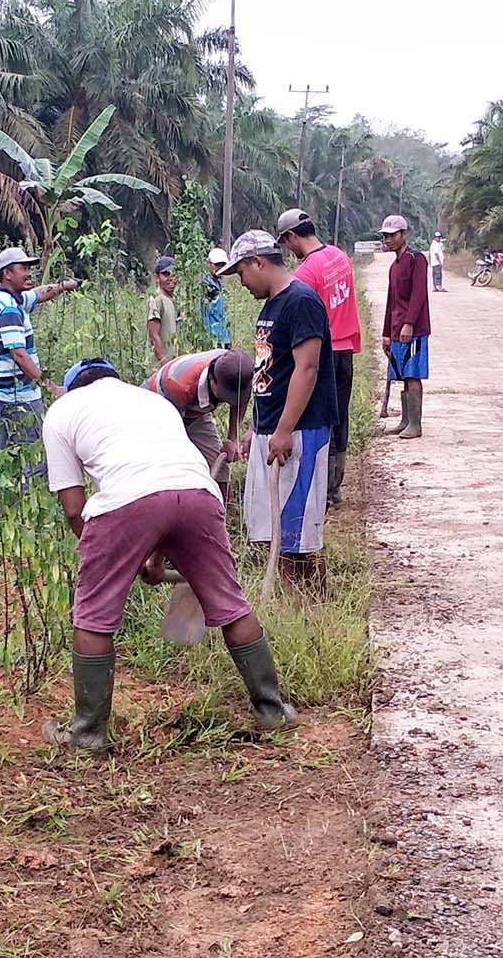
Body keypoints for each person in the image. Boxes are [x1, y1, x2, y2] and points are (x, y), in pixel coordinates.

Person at [41, 358, 296, 749]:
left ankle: (88, 732)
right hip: (199, 493)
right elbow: (167, 490)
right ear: (114, 378)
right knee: (231, 603)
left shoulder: (62, 412)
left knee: (93, 614)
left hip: (127, 501)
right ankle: (272, 711)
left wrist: (112, 554)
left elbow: (75, 508)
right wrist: (153, 557)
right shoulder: (152, 402)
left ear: (73, 386)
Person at [226, 229, 337, 579]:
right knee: (273, 527)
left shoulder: (301, 301)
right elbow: (269, 371)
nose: (241, 282)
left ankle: (306, 605)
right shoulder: (272, 306)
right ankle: (291, 600)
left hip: (301, 430)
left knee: (296, 534)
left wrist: (285, 429)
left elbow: (307, 368)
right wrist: (254, 427)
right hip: (272, 429)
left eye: (241, 272)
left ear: (257, 262)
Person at [277, 208, 360, 509]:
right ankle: (335, 486)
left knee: (321, 418)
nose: (288, 250)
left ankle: (321, 489)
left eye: (286, 243)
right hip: (346, 349)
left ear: (291, 236)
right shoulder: (340, 256)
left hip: (323, 355)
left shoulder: (306, 273)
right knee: (341, 416)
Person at [0, 246, 81, 460]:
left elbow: (38, 293)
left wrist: (66, 285)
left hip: (4, 394)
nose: (29, 273)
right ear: (7, 274)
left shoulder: (10, 299)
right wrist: (50, 387)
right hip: (18, 397)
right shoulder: (9, 309)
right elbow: (19, 355)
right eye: (23, 268)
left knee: (7, 457)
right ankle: (28, 492)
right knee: (32, 458)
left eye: (30, 268)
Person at [143, 346, 254, 490]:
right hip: (157, 409)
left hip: (194, 410)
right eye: (226, 395)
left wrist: (232, 438)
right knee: (173, 469)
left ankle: (223, 509)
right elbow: (175, 438)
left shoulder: (238, 369)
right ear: (212, 379)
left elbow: (240, 400)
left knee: (218, 467)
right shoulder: (180, 385)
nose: (229, 400)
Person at [380, 214, 433, 438]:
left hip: (414, 329)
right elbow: (391, 300)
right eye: (385, 236)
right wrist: (386, 333)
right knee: (401, 374)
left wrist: (409, 323)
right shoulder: (394, 266)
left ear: (404, 235)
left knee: (413, 374)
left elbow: (419, 293)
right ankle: (405, 419)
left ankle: (416, 423)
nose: (388, 240)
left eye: (392, 235)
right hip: (396, 329)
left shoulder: (416, 259)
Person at [146, 255, 180, 364]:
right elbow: (154, 335)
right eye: (165, 274)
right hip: (160, 366)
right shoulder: (156, 299)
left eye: (173, 274)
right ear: (157, 277)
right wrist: (164, 363)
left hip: (174, 362)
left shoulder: (175, 299)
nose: (171, 278)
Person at [200, 250, 232, 347]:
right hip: (213, 338)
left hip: (224, 337)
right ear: (209, 264)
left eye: (222, 265)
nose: (220, 268)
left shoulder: (220, 285)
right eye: (217, 264)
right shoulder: (205, 285)